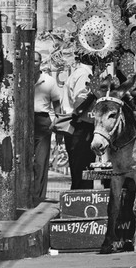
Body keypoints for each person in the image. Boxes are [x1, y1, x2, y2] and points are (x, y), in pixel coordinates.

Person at [63, 54, 96, 190]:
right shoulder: (84, 75)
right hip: (81, 127)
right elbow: (79, 104)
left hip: (80, 126)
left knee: (80, 171)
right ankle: (81, 204)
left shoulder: (82, 73)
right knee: (83, 171)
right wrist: (94, 94)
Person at [34, 51, 61, 205]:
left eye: (36, 61)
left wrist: (57, 125)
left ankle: (38, 197)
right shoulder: (21, 79)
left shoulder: (49, 81)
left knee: (40, 162)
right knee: (22, 161)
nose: (33, 63)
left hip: (43, 121)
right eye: (31, 60)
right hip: (24, 122)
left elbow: (57, 105)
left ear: (40, 63)